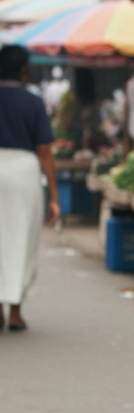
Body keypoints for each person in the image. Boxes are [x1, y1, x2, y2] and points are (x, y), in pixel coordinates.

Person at [0, 44, 59, 331]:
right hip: (24, 173)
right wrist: (55, 198)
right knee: (22, 239)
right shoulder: (34, 102)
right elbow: (45, 151)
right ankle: (15, 311)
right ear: (24, 70)